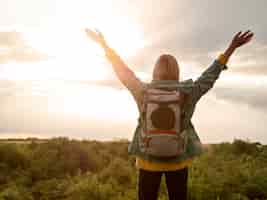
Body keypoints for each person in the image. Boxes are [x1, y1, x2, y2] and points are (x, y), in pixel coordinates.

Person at [85, 29, 254, 200]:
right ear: (177, 71)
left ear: (154, 71)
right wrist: (231, 48)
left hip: (147, 160)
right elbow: (210, 76)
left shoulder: (142, 91)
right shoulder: (189, 92)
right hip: (178, 159)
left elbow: (123, 71)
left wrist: (104, 45)